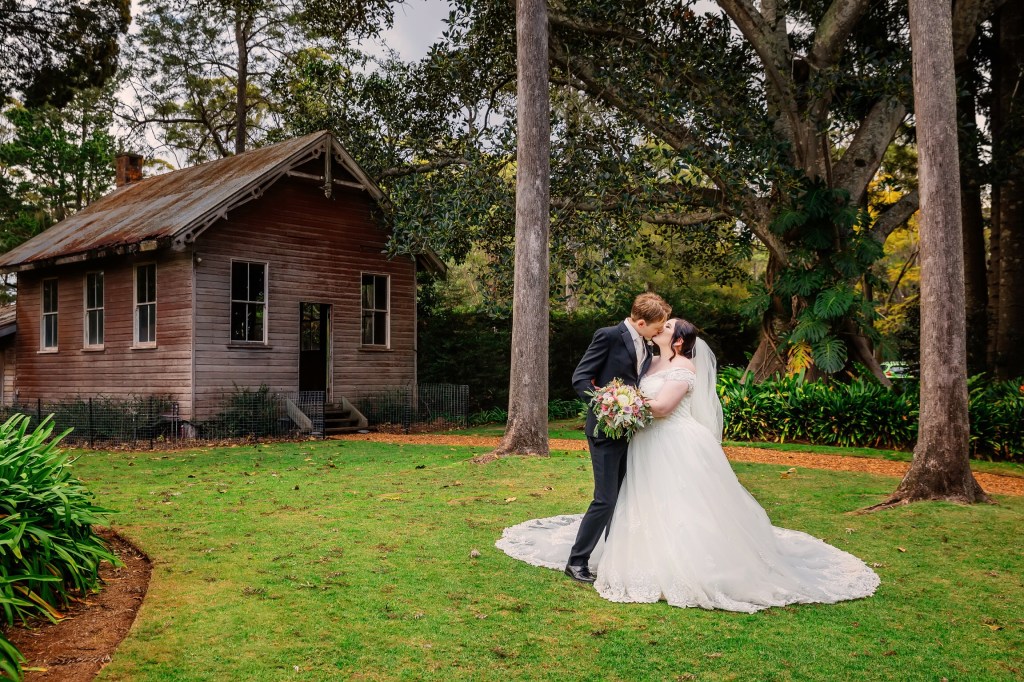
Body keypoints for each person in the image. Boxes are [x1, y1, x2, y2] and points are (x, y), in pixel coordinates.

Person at [498, 318, 880, 612]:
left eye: (667, 327)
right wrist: (618, 401)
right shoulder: (648, 361)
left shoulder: (683, 367)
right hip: (644, 443)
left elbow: (664, 407)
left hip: (673, 440)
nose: (660, 329)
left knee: (680, 502)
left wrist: (624, 403)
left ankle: (689, 563)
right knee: (642, 499)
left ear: (679, 341)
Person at [562, 292, 669, 584]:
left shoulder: (646, 344)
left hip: (630, 432)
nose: (660, 331)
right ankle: (577, 561)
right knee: (605, 499)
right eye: (658, 326)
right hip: (604, 431)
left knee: (621, 498)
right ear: (641, 322)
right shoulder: (608, 336)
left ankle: (613, 556)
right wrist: (607, 406)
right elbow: (580, 378)